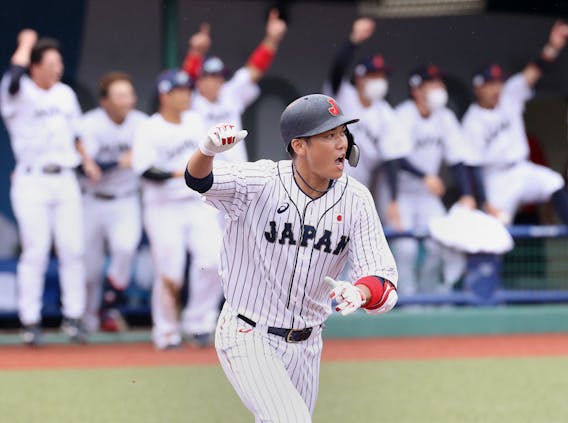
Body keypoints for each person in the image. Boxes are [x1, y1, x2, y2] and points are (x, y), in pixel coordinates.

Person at [184, 93, 398, 421]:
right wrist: (207, 152)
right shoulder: (260, 182)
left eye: (342, 133)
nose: (341, 143)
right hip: (247, 331)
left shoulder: (356, 200)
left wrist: (359, 291)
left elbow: (382, 279)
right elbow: (199, 180)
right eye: (329, 135)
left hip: (308, 344)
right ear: (300, 146)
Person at [0, 29, 96, 345]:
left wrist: (88, 161)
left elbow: (77, 132)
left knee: (72, 249)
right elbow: (14, 75)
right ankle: (30, 321)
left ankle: (74, 318)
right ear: (35, 65)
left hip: (65, 178)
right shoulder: (19, 89)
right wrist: (25, 44)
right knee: (36, 251)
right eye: (52, 62)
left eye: (60, 61)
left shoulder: (65, 94)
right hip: (32, 179)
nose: (58, 67)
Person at [131, 69, 223, 350]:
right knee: (170, 272)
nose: (186, 95)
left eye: (187, 90)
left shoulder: (197, 120)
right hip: (163, 206)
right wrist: (182, 173)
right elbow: (145, 169)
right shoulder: (150, 127)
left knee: (214, 260)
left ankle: (198, 323)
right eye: (179, 91)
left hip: (198, 203)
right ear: (164, 95)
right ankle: (167, 331)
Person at [461, 20, 568, 225]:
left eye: (498, 82)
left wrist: (553, 47)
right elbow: (472, 167)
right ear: (478, 88)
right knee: (494, 228)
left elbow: (532, 73)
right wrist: (483, 200)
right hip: (495, 179)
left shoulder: (509, 95)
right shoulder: (471, 121)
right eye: (490, 84)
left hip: (522, 169)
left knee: (555, 183)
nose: (496, 89)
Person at [393, 65, 475, 296]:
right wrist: (424, 176)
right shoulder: (403, 115)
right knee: (405, 249)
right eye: (433, 84)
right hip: (402, 193)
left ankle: (429, 299)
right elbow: (395, 158)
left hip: (427, 195)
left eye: (441, 83)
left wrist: (467, 193)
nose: (440, 89)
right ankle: (407, 301)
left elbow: (458, 159)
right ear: (417, 90)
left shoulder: (445, 117)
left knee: (439, 244)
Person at [77, 72, 147, 333]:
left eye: (129, 94)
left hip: (125, 199)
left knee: (125, 248)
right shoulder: (91, 124)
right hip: (92, 200)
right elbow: (88, 169)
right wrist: (120, 161)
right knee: (89, 268)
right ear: (105, 101)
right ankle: (87, 320)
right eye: (119, 95)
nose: (126, 100)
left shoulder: (142, 123)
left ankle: (109, 303)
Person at [324, 17, 408, 228]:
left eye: (382, 75)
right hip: (328, 175)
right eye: (373, 75)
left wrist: (393, 200)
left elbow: (391, 158)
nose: (379, 80)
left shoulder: (385, 113)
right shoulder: (345, 94)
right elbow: (336, 70)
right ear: (360, 78)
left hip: (359, 182)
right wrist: (353, 41)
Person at [181, 9, 287, 162]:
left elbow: (254, 70)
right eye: (212, 76)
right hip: (205, 175)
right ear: (199, 80)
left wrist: (272, 40)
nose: (218, 81)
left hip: (237, 172)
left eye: (220, 76)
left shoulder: (229, 93)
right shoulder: (190, 101)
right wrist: (195, 52)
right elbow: (182, 82)